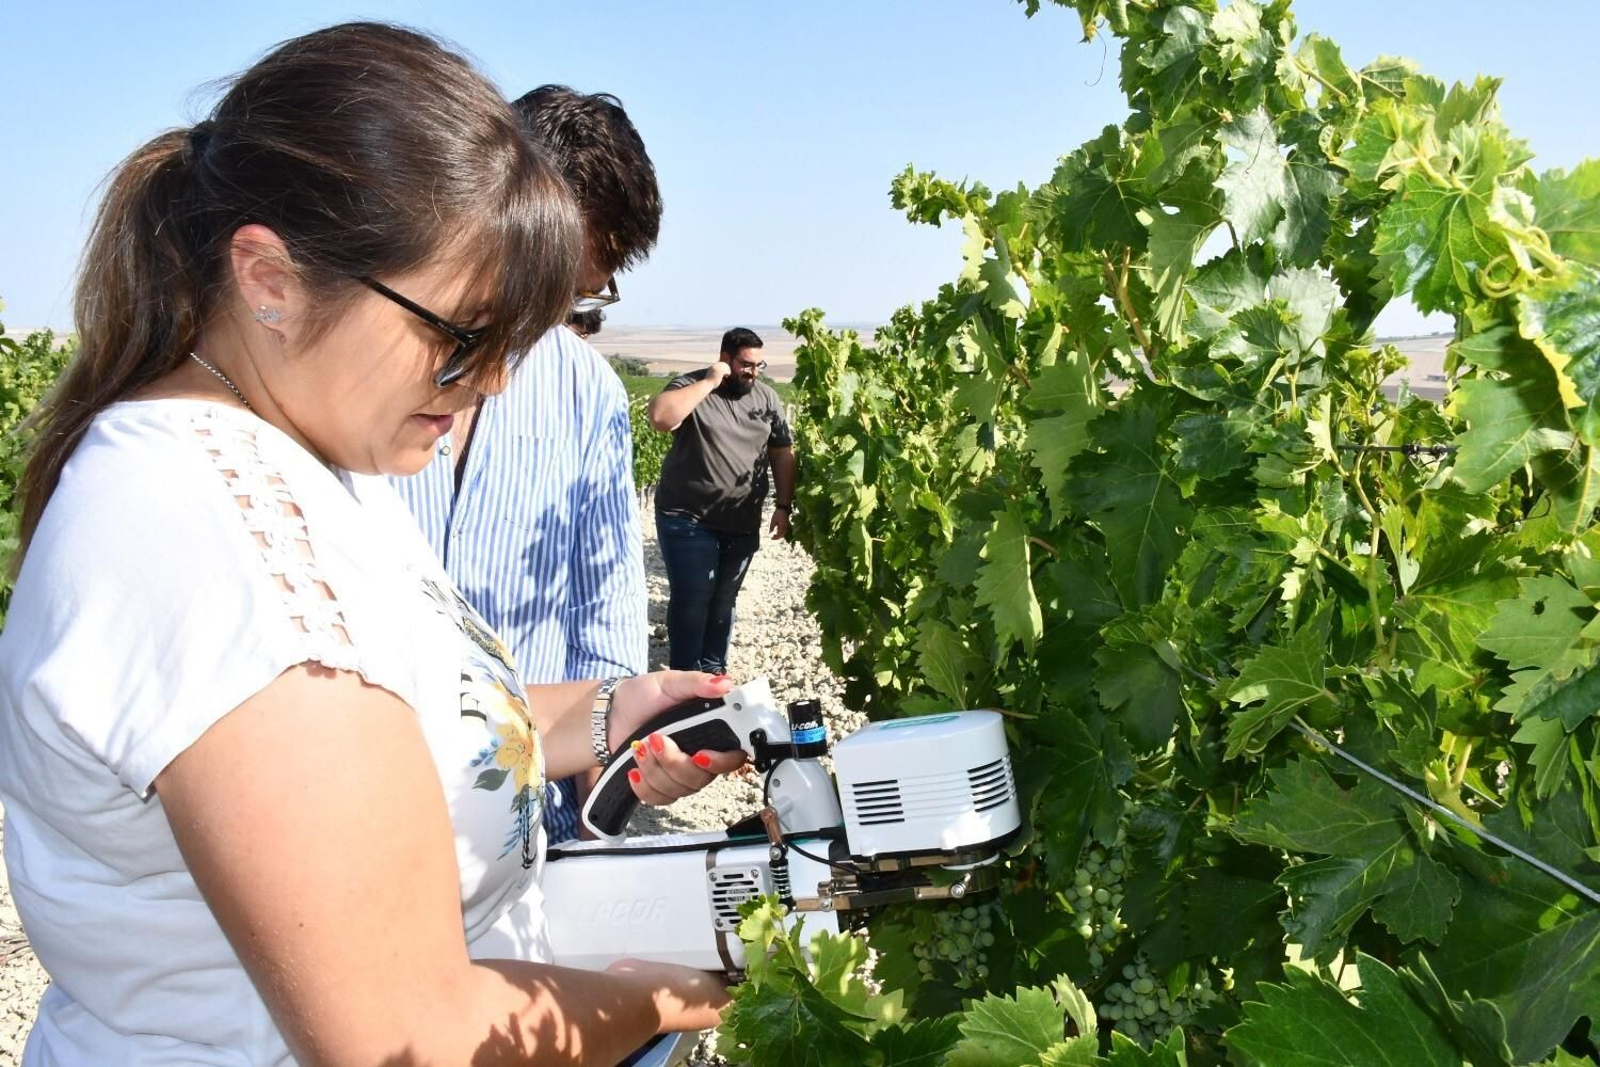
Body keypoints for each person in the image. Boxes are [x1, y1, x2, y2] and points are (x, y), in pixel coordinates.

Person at [0, 24, 738, 1065]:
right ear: (269, 277)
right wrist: (655, 1000)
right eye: (461, 338)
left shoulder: (318, 458)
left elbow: (399, 736)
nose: (489, 384)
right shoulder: (206, 544)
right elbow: (410, 1037)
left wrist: (611, 707)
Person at [390, 85, 656, 847]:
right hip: (359, 821)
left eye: (573, 292)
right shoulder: (362, 372)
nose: (540, 318)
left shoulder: (585, 389)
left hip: (524, 830)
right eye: (536, 278)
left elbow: (605, 626)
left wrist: (617, 779)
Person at [647, 327, 797, 673]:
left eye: (759, 365)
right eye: (746, 364)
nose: (753, 372)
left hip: (741, 520)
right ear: (725, 359)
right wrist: (708, 383)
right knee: (693, 597)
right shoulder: (692, 385)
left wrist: (784, 505)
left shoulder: (767, 399)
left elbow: (782, 454)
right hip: (686, 516)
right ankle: (685, 676)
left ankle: (714, 673)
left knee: (724, 599)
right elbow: (660, 418)